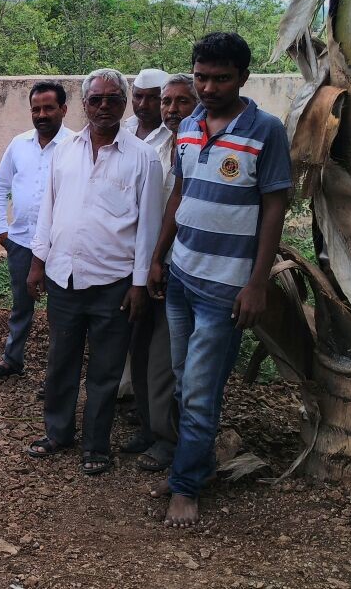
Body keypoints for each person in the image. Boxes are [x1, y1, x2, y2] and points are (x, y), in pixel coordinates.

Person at [147, 32, 291, 527]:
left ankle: (185, 486)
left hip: (225, 289)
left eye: (220, 78)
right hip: (183, 277)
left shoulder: (265, 131)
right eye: (201, 76)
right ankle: (200, 461)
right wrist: (159, 256)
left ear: (242, 78)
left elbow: (275, 208)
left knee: (202, 390)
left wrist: (257, 283)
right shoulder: (187, 126)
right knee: (186, 384)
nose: (208, 87)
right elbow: (180, 195)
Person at [25, 68, 163, 476]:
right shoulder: (64, 151)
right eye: (96, 99)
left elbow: (149, 228)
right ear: (83, 105)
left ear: (126, 104)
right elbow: (47, 210)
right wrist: (37, 263)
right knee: (60, 360)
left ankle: (96, 445)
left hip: (114, 285)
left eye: (113, 99)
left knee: (104, 370)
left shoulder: (143, 158)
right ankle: (58, 431)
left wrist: (139, 284)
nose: (104, 107)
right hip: (64, 276)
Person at [0, 81, 70, 380]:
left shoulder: (76, 146)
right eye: (36, 109)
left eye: (49, 108)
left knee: (61, 313)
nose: (42, 114)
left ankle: (57, 376)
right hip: (21, 242)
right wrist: (1, 229)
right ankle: (12, 360)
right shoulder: (18, 145)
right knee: (21, 306)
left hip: (61, 246)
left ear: (64, 109)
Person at [135, 73, 199, 473]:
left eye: (181, 102)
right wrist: (153, 259)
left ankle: (173, 437)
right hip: (155, 260)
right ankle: (152, 426)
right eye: (167, 102)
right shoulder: (154, 145)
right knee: (146, 351)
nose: (172, 110)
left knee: (175, 357)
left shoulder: (203, 142)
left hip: (191, 266)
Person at [120, 67, 171, 456]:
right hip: (126, 255)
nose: (143, 104)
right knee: (134, 338)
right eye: (137, 95)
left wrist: (155, 259)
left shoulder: (178, 137)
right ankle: (139, 408)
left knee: (161, 346)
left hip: (166, 258)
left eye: (152, 97)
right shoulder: (121, 130)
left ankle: (163, 426)